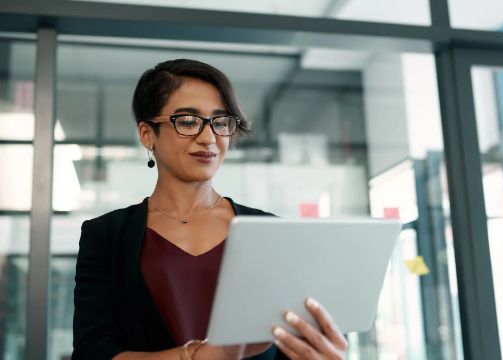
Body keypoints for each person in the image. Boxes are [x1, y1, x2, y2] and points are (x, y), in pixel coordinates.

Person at [72, 59, 349, 360]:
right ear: (147, 134)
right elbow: (93, 352)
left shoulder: (273, 233)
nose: (209, 138)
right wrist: (201, 356)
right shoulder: (106, 235)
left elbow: (289, 345)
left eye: (220, 122)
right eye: (188, 121)